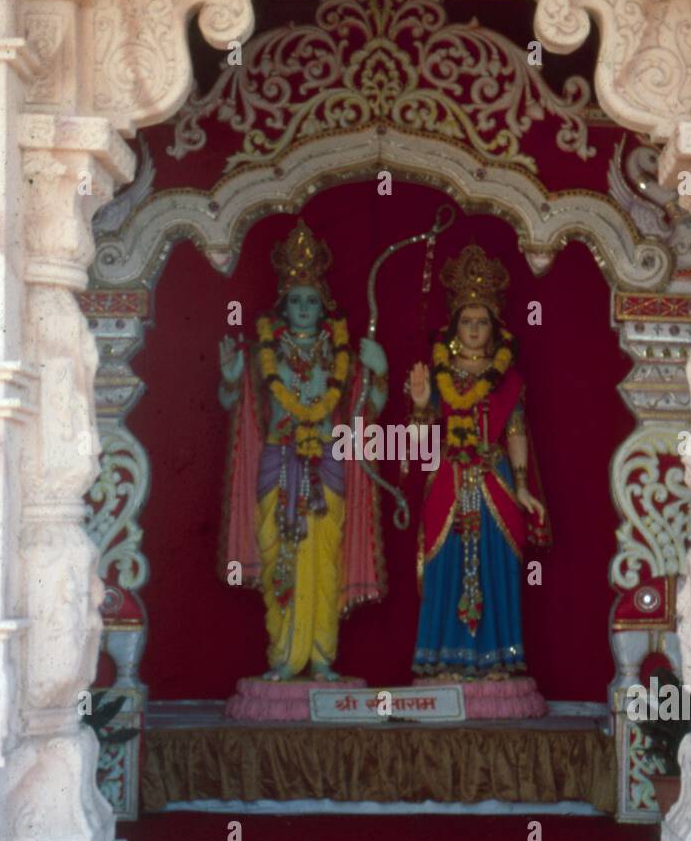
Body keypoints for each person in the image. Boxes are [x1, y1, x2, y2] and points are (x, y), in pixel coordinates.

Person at [218, 220, 387, 680]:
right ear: (284, 306)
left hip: (328, 464)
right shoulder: (260, 354)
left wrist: (380, 372)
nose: (305, 309)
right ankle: (282, 657)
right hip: (276, 462)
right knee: (279, 555)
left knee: (324, 560)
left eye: (312, 301)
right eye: (296, 301)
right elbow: (238, 408)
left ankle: (321, 657)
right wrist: (231, 378)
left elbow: (365, 410)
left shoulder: (342, 358)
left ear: (324, 306)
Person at [408, 244, 550, 679]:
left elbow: (516, 432)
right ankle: (444, 658)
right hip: (449, 478)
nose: (473, 329)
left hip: (495, 478)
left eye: (481, 322)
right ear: (454, 328)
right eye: (466, 322)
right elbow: (414, 447)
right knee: (445, 564)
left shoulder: (507, 380)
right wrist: (418, 406)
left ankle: (498, 659)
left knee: (497, 563)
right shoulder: (439, 375)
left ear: (495, 329)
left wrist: (523, 484)